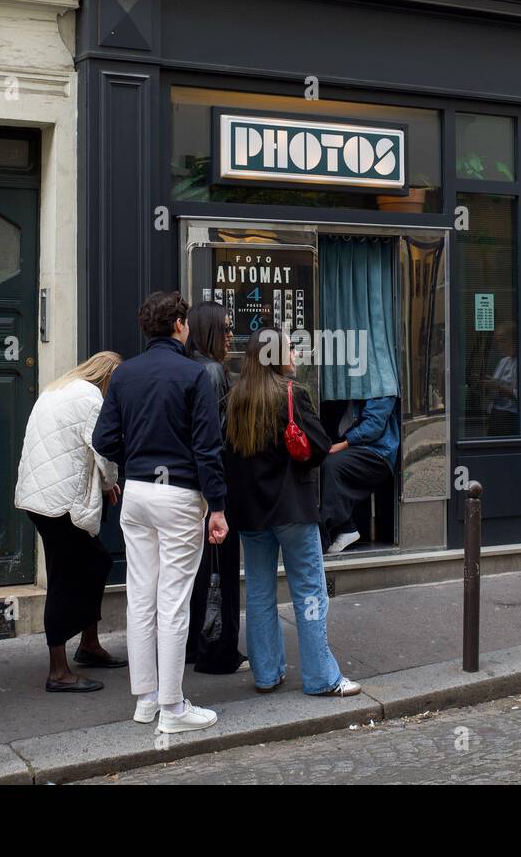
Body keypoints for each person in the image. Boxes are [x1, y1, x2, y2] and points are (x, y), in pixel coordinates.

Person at [93, 290, 229, 735]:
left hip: (136, 493)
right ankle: (172, 706)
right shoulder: (192, 375)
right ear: (178, 325)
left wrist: (136, 456)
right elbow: (208, 448)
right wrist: (219, 507)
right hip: (179, 494)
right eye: (185, 320)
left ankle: (146, 699)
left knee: (141, 598)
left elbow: (103, 440)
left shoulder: (126, 374)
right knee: (172, 602)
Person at [225, 328, 361, 697]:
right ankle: (322, 678)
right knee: (310, 591)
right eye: (291, 350)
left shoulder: (234, 397)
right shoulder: (292, 394)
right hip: (293, 510)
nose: (296, 357)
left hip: (251, 513)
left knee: (258, 592)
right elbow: (318, 447)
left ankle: (266, 674)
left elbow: (227, 455)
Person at [15, 351, 125, 693]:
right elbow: (104, 449)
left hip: (40, 498)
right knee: (67, 578)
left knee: (91, 563)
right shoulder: (90, 397)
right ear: (108, 378)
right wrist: (110, 483)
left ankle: (88, 644)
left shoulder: (56, 389)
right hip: (61, 502)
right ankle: (59, 670)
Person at [184, 302, 248, 675]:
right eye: (224, 329)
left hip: (190, 488)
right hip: (214, 486)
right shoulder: (210, 370)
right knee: (218, 573)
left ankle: (195, 644)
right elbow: (215, 438)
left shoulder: (192, 367)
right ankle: (217, 650)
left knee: (196, 572)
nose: (229, 335)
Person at [319, 394, 400, 554]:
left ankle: (332, 533)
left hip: (378, 451)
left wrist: (341, 445)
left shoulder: (379, 384)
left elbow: (374, 425)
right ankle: (343, 528)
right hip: (355, 446)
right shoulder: (345, 390)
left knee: (332, 465)